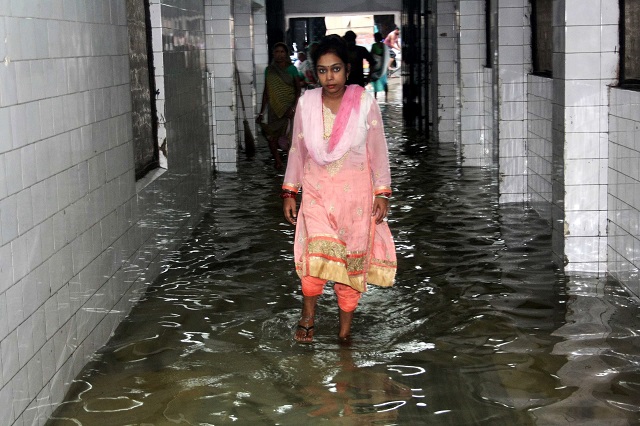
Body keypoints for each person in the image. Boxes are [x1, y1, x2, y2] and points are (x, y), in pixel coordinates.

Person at [281, 34, 397, 344]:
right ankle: (308, 316)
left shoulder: (364, 102)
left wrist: (382, 193)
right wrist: (290, 192)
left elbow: (378, 150)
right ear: (314, 73)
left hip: (355, 198)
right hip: (317, 192)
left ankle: (344, 333)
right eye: (322, 70)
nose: (329, 77)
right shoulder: (306, 103)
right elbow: (297, 149)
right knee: (314, 257)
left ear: (347, 69)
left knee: (350, 263)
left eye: (335, 69)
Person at [257, 42, 302, 170]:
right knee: (271, 137)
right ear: (273, 54)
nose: (279, 55)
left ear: (286, 54)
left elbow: (298, 90)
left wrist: (293, 107)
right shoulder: (269, 70)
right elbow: (266, 91)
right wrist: (261, 112)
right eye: (277, 52)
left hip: (289, 109)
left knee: (290, 138)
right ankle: (278, 162)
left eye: (282, 52)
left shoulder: (292, 69)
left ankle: (291, 165)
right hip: (274, 110)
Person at [369, 32, 390, 100]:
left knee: (376, 81)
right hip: (383, 67)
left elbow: (371, 56)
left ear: (376, 38)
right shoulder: (385, 46)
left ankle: (375, 97)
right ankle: (386, 97)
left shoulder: (374, 46)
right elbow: (387, 57)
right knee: (384, 81)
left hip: (376, 66)